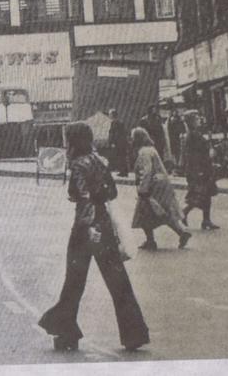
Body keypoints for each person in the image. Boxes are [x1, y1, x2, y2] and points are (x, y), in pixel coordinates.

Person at [38, 122, 149, 352]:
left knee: (74, 282)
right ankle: (134, 333)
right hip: (104, 226)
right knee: (118, 282)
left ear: (73, 141)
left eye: (68, 139)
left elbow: (83, 197)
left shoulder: (78, 164)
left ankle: (66, 334)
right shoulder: (99, 160)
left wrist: (88, 227)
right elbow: (112, 192)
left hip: (85, 229)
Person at [130, 127, 191, 250]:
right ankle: (182, 232)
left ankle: (150, 241)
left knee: (144, 213)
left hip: (153, 187)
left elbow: (147, 171)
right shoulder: (151, 149)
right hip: (162, 184)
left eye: (132, 138)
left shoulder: (143, 152)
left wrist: (143, 189)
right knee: (163, 212)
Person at [181, 112, 220, 230]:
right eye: (197, 118)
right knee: (199, 194)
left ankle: (206, 220)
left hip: (203, 168)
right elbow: (195, 155)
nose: (199, 120)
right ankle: (184, 213)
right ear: (191, 121)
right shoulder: (193, 135)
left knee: (206, 194)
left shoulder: (195, 134)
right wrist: (200, 168)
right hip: (198, 170)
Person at [107, 109, 130, 177]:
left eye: (110, 114)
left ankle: (122, 172)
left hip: (118, 144)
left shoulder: (114, 122)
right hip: (122, 143)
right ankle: (124, 172)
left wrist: (112, 142)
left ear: (112, 115)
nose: (109, 116)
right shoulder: (120, 122)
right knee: (123, 157)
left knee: (120, 158)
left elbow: (114, 134)